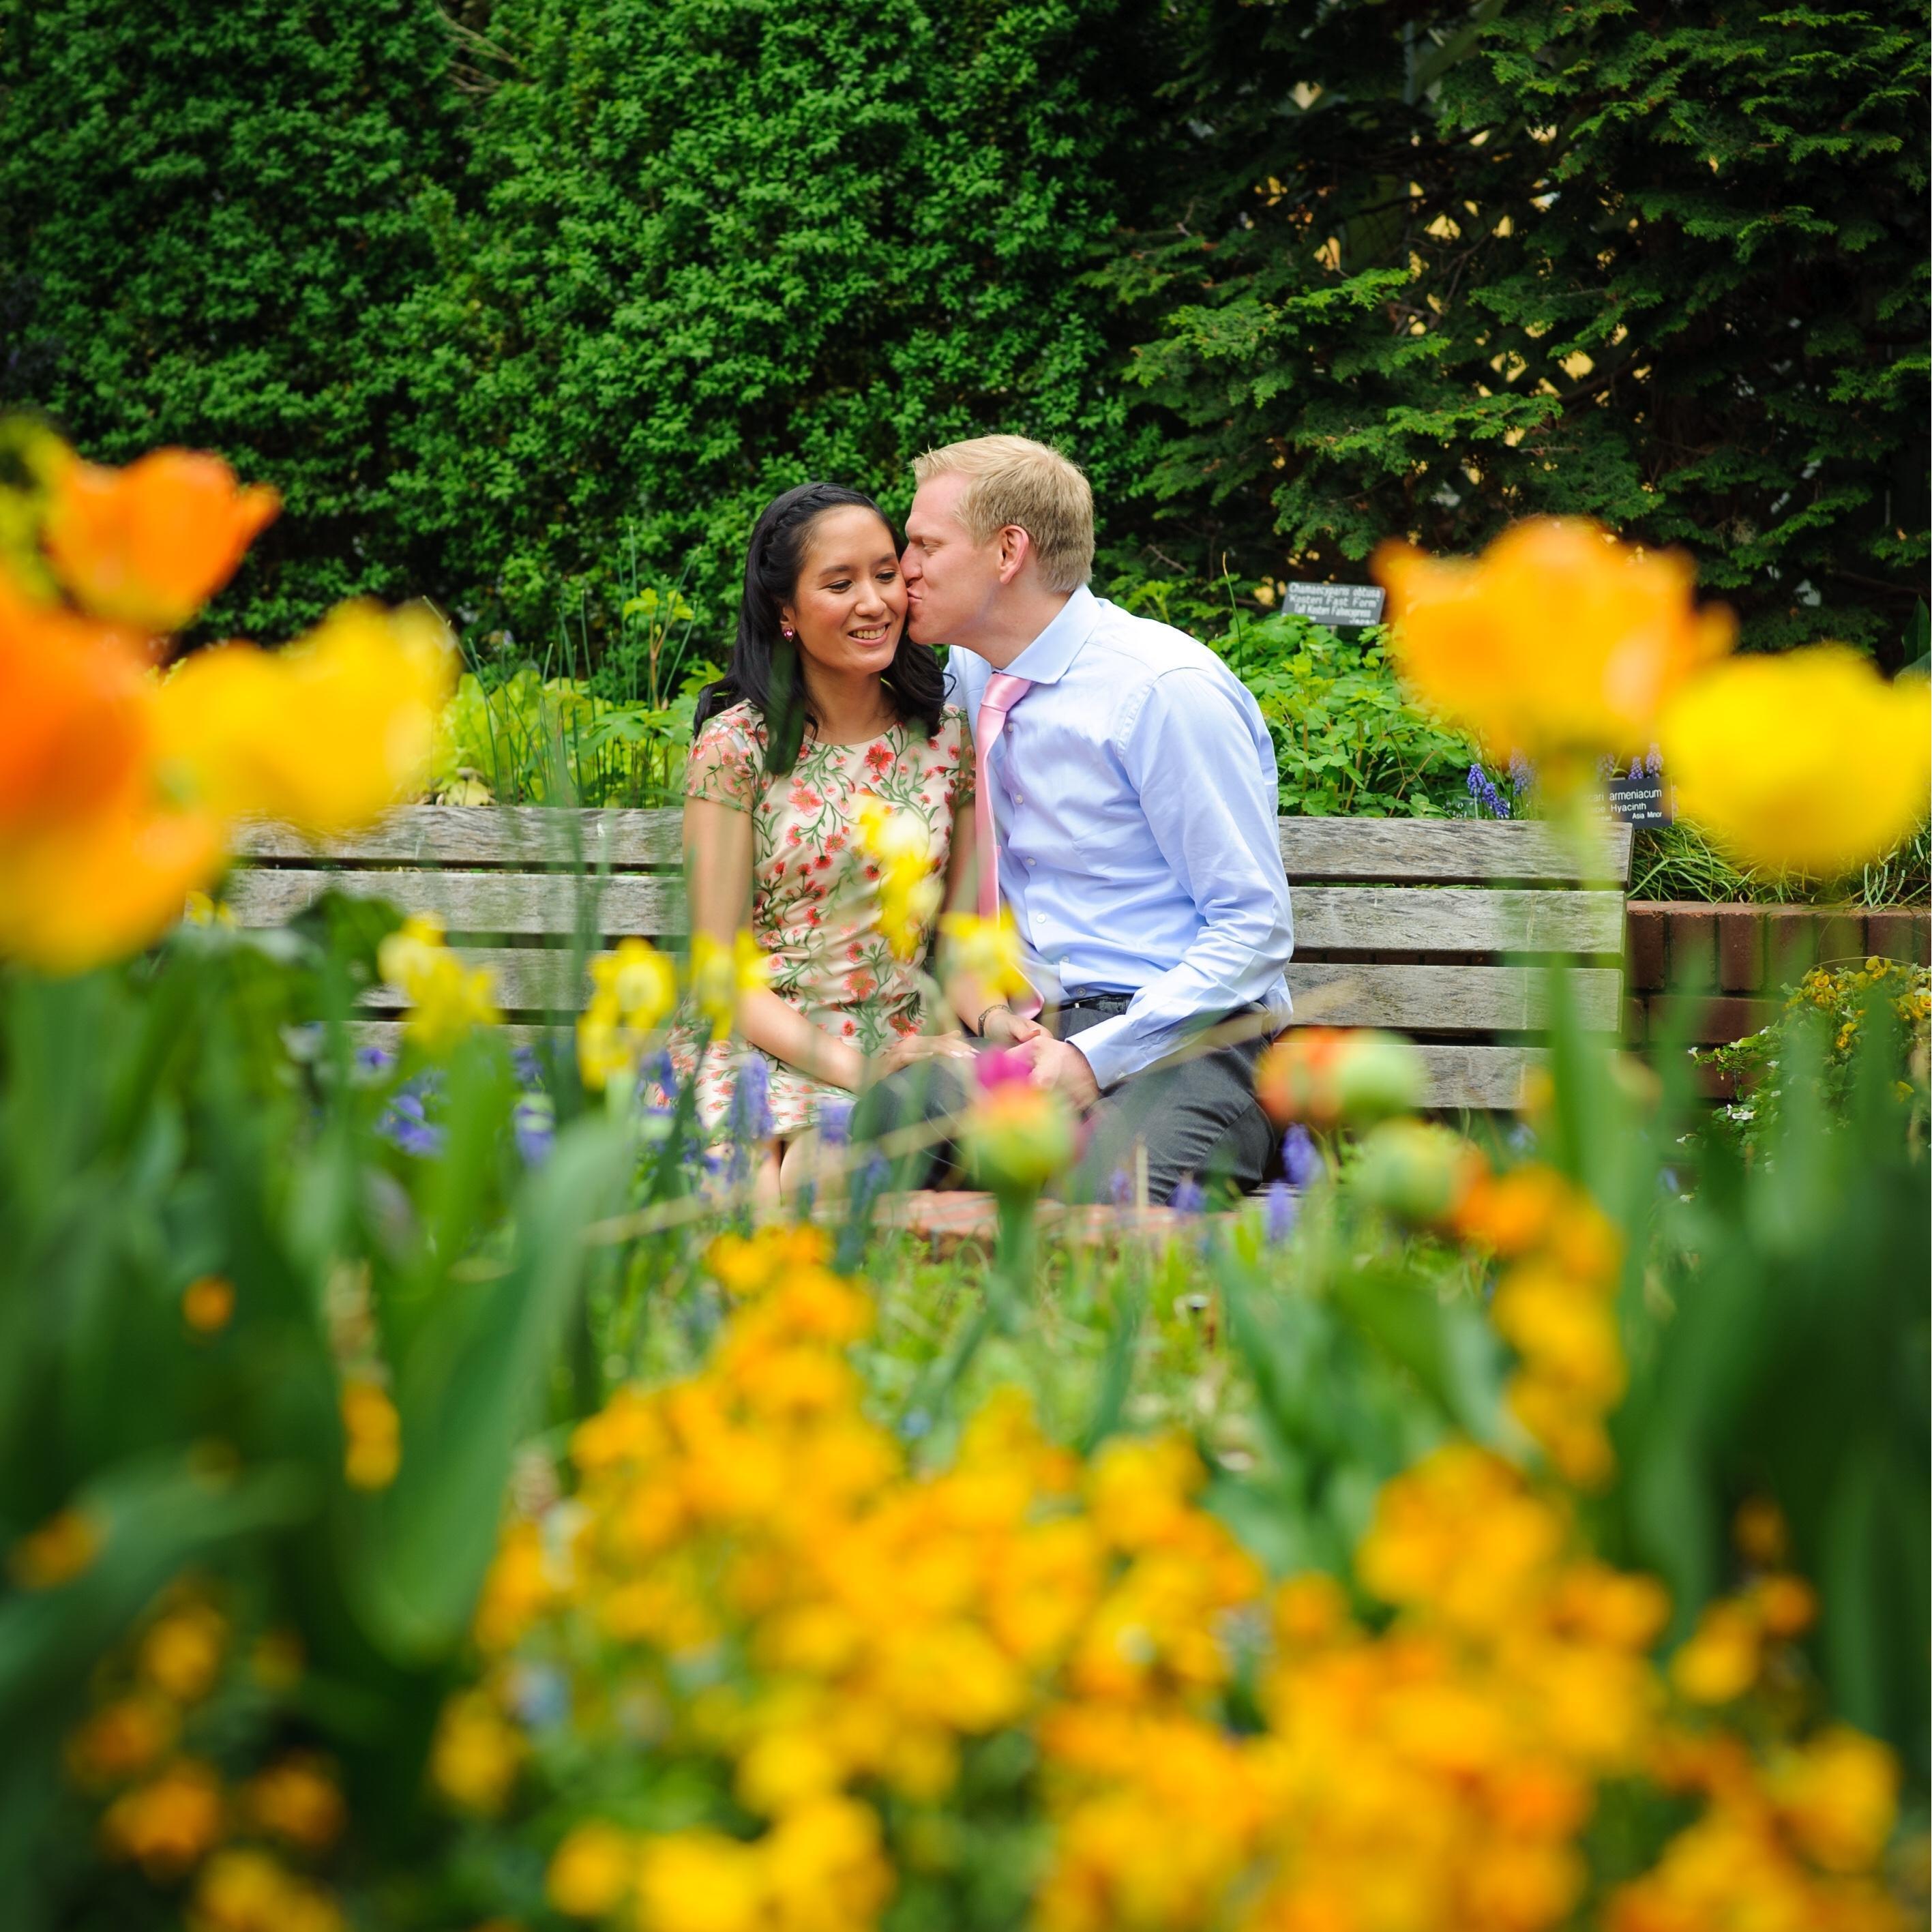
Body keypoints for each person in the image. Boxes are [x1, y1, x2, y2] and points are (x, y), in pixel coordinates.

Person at [854, 434, 1294, 1204]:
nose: (904, 569)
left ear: (1007, 552)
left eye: (923, 544)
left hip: (1185, 1039)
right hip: (1018, 1034)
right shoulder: (972, 671)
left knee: (1104, 1201)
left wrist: (1095, 1058)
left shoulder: (1161, 691)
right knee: (876, 1138)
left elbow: (1252, 929)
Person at [666, 481, 995, 1203]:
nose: (874, 602)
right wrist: (858, 1065)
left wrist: (991, 1028)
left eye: (886, 574)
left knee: (827, 1183)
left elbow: (967, 936)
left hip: (896, 1038)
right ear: (785, 611)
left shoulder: (946, 738)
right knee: (741, 1204)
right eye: (839, 583)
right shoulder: (736, 745)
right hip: (750, 1043)